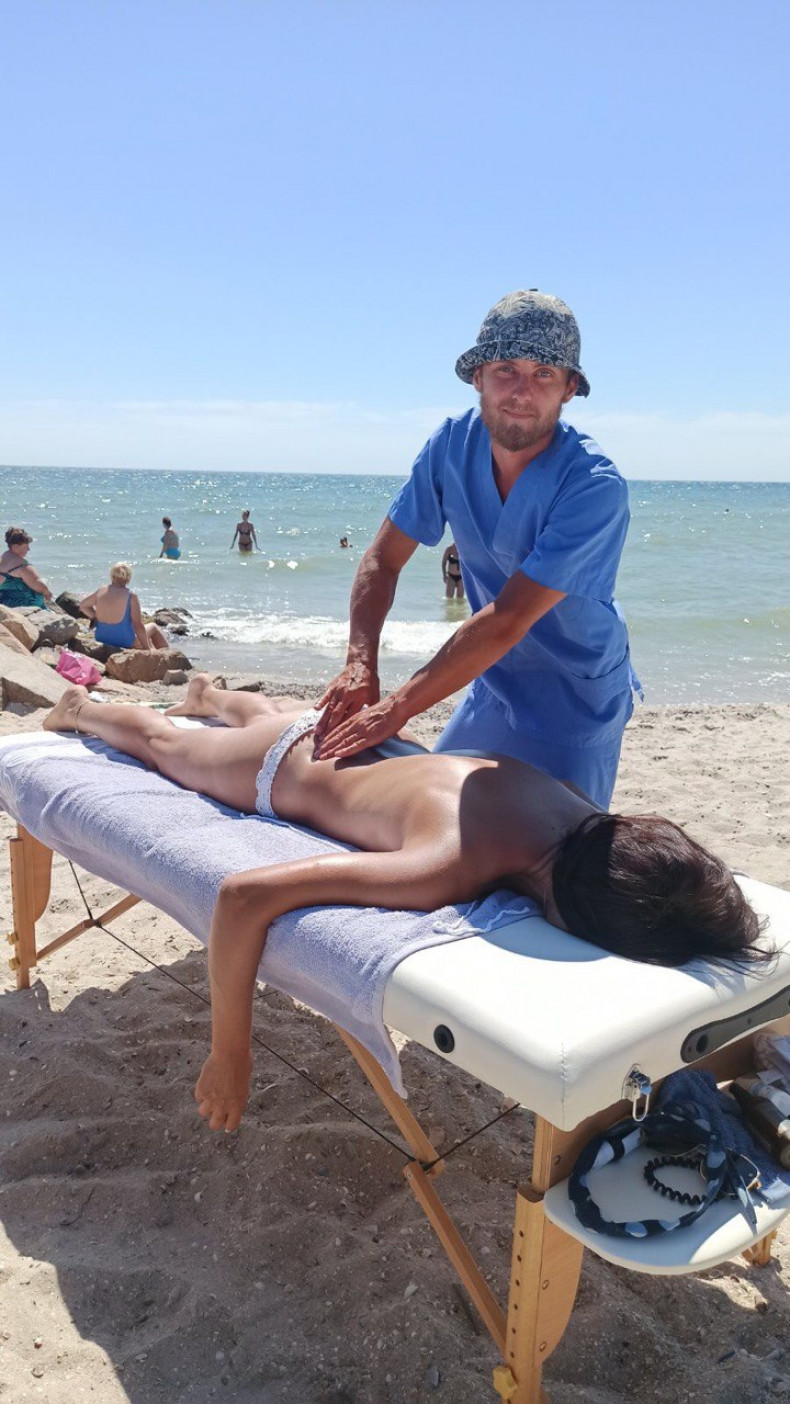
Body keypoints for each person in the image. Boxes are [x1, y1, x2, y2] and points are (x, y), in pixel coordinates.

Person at [43, 675, 766, 1133]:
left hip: (367, 742)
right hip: (282, 765)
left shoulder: (580, 809)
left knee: (259, 714)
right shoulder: (450, 862)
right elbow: (243, 897)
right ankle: (84, 708)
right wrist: (231, 1051)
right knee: (164, 745)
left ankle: (210, 695)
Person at [314, 290, 639, 809]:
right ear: (478, 377)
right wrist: (360, 663)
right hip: (492, 678)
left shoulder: (593, 486)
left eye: (544, 374)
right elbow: (383, 559)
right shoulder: (451, 446)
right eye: (506, 369)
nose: (522, 392)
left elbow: (509, 618)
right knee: (424, 811)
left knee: (558, 844)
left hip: (577, 700)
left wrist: (396, 708)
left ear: (569, 388)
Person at [79, 562, 169, 650]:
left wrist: (95, 617)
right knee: (153, 627)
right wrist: (147, 648)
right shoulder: (131, 596)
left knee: (144, 637)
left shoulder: (101, 591)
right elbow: (138, 625)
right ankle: (167, 655)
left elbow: (83, 605)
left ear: (112, 576)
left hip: (101, 638)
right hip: (124, 641)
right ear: (128, 578)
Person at [0, 527, 53, 608]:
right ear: (15, 546)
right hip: (23, 605)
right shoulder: (21, 565)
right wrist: (48, 594)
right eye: (26, 546)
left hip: (4, 602)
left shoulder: (3, 557)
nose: (28, 549)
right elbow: (39, 585)